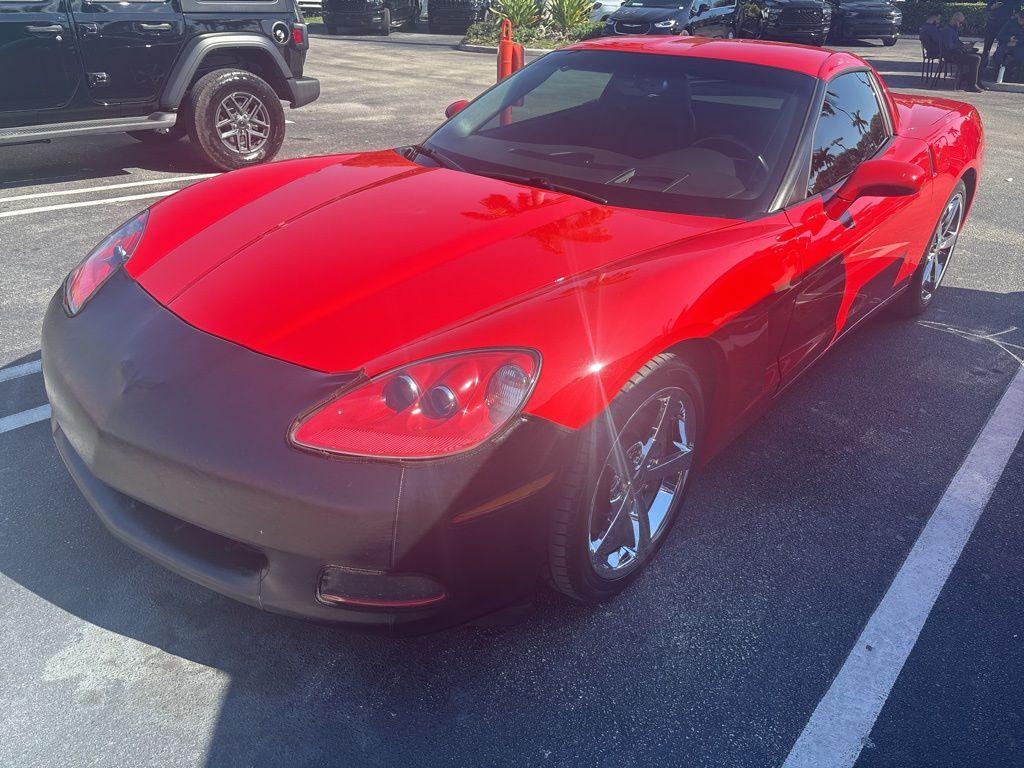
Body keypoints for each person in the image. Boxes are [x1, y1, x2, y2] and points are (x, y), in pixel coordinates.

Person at [940, 12, 985, 91]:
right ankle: (971, 85)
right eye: (960, 23)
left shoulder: (953, 30)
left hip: (956, 53)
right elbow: (950, 46)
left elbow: (957, 43)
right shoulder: (947, 30)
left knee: (982, 56)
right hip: (951, 55)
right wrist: (963, 47)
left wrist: (966, 46)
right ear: (955, 20)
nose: (960, 25)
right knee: (976, 59)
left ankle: (974, 80)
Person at [983, 0, 1021, 64]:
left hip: (1004, 25)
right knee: (987, 47)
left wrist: (1011, 19)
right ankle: (983, 66)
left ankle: (998, 66)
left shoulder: (1014, 1)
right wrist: (993, 7)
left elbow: (1018, 13)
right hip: (991, 24)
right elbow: (986, 9)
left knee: (1002, 47)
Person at [992, 9, 1024, 78]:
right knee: (998, 55)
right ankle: (997, 74)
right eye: (1021, 19)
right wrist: (1009, 39)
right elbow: (999, 36)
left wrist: (1017, 43)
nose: (1022, 22)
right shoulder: (1010, 23)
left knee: (1019, 57)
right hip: (1007, 44)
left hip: (1020, 46)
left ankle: (1010, 73)